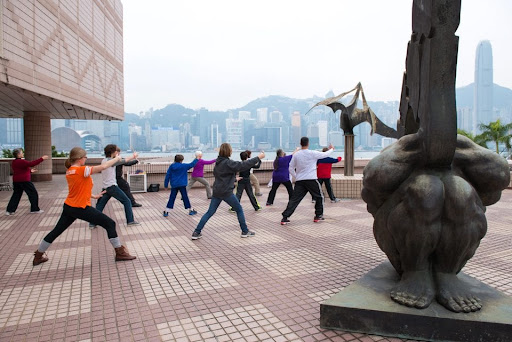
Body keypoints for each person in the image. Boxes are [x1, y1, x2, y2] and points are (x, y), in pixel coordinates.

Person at [33, 147, 136, 266]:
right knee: (110, 224)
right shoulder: (82, 170)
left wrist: (93, 196)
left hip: (69, 206)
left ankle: (38, 255)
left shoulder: (70, 170)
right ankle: (120, 253)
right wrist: (117, 158)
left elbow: (77, 188)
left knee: (56, 231)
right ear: (79, 159)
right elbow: (103, 167)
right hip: (80, 207)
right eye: (85, 157)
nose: (86, 159)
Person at [191, 143, 264, 240]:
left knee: (209, 212)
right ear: (228, 151)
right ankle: (245, 231)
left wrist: (234, 179)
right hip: (226, 192)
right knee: (239, 209)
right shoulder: (228, 163)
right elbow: (243, 165)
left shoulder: (218, 162)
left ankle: (196, 232)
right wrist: (258, 157)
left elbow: (222, 176)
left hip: (217, 191)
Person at [281, 137, 334, 225]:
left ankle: (285, 217)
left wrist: (296, 176)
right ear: (308, 143)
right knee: (319, 197)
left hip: (300, 181)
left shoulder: (296, 155)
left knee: (294, 200)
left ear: (300, 143)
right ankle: (318, 216)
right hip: (311, 179)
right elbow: (324, 154)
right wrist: (332, 149)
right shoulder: (312, 153)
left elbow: (290, 167)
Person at [90, 144, 140, 228]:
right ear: (113, 152)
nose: (117, 152)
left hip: (106, 187)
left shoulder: (104, 160)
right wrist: (134, 156)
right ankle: (130, 221)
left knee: (100, 205)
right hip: (112, 187)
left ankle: (92, 223)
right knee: (127, 201)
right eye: (116, 151)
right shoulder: (112, 161)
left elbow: (122, 161)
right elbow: (125, 161)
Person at [6, 148, 48, 215]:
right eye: (21, 152)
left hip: (16, 181)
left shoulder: (14, 162)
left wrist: (30, 171)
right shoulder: (22, 161)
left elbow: (20, 170)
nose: (22, 153)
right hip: (24, 181)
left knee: (16, 195)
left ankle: (10, 210)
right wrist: (42, 158)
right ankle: (34, 209)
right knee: (33, 193)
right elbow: (32, 164)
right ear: (18, 154)